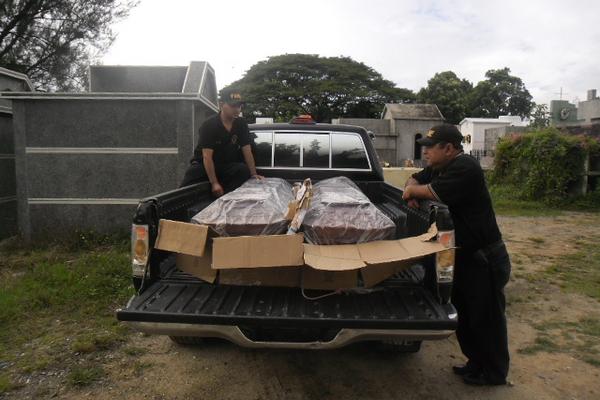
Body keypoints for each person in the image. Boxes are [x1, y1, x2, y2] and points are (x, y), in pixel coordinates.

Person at [402, 124, 511, 386]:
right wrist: (411, 188)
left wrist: (413, 192)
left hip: (483, 259)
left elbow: (428, 191)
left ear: (449, 148)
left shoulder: (465, 168)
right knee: (465, 314)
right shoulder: (442, 167)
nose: (425, 152)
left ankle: (493, 373)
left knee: (486, 318)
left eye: (430, 148)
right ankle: (475, 364)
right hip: (463, 256)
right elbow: (414, 179)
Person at [180, 89, 263, 196]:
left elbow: (247, 150)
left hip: (225, 166)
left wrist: (253, 174)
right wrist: (214, 183)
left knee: (242, 170)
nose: (237, 109)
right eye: (233, 106)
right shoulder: (209, 125)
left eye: (239, 106)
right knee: (182, 196)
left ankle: (225, 199)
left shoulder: (241, 123)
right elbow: (207, 157)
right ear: (221, 105)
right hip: (203, 166)